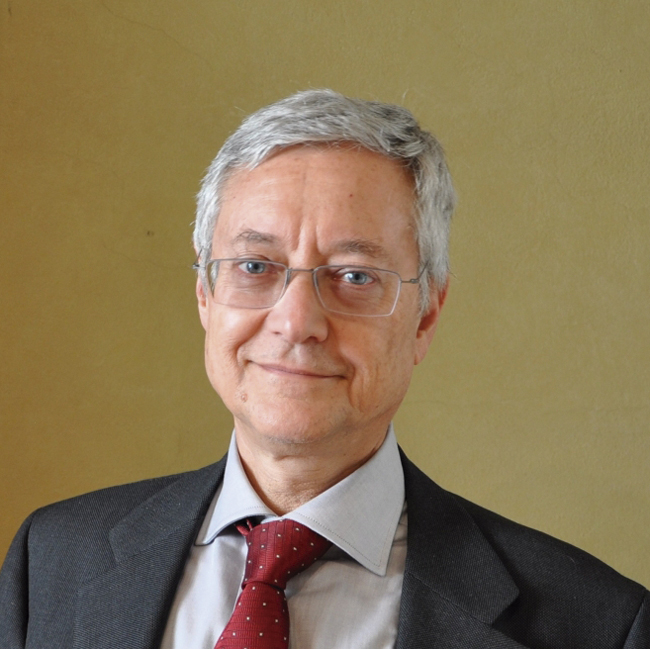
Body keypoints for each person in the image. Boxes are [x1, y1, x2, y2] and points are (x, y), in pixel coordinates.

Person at [0, 90, 647, 649]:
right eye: (255, 266)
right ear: (204, 292)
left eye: (355, 276)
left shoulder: (595, 623)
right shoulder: (51, 561)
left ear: (425, 314)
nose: (296, 321)